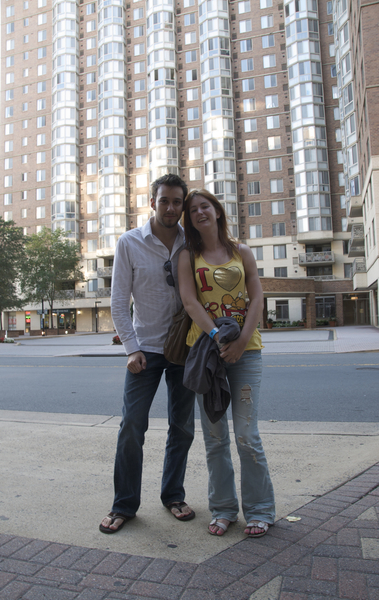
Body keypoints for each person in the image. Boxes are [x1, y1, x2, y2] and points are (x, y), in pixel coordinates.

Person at [99, 174, 196, 534]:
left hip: (186, 349)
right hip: (145, 351)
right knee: (131, 427)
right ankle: (124, 504)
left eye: (177, 202)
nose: (171, 208)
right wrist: (131, 348)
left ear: (183, 205)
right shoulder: (130, 243)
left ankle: (173, 495)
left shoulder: (193, 242)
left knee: (182, 427)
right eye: (164, 201)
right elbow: (118, 303)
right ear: (152, 202)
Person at [178, 189, 275, 538]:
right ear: (189, 219)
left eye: (205, 206)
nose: (199, 212)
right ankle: (223, 509)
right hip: (208, 357)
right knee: (215, 438)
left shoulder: (242, 252)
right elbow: (191, 302)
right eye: (192, 210)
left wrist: (242, 341)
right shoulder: (188, 256)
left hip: (246, 354)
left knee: (247, 435)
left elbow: (257, 297)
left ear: (217, 211)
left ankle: (261, 510)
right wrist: (220, 337)